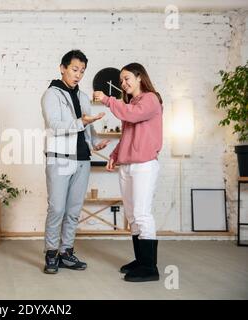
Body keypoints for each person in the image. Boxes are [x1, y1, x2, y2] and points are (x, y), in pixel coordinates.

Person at [41, 50, 110, 274]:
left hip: (82, 159)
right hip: (60, 159)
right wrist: (81, 121)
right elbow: (55, 126)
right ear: (62, 68)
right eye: (74, 69)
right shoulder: (51, 94)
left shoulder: (81, 96)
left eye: (82, 71)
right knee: (57, 208)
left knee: (73, 210)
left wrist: (95, 142)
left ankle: (66, 252)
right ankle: (51, 254)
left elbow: (88, 126)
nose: (78, 75)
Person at [93, 62, 163, 282]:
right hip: (128, 165)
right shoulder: (132, 103)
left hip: (143, 165)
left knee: (142, 214)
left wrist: (106, 99)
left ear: (139, 77)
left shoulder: (151, 99)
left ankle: (150, 268)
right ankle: (141, 261)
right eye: (121, 80)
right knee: (132, 215)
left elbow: (131, 115)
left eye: (126, 79)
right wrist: (115, 155)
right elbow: (128, 135)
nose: (123, 84)